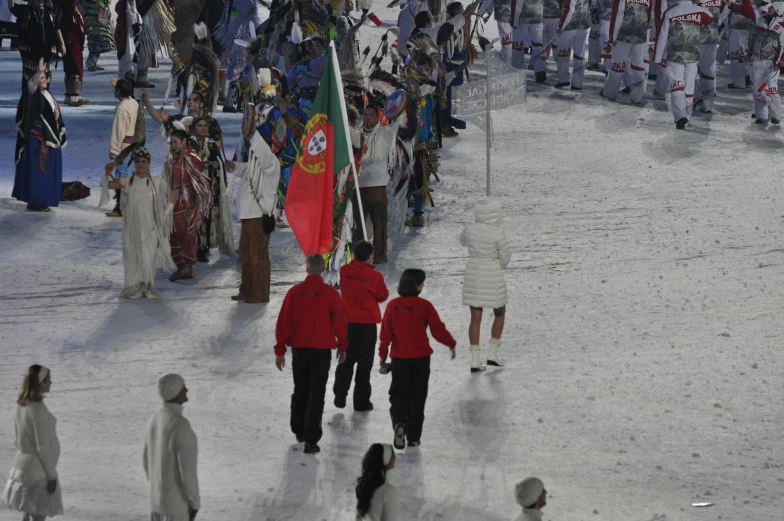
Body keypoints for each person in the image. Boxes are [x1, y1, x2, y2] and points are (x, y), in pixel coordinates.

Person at [274, 254, 348, 454]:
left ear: (306, 269)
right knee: (317, 392)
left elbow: (284, 322)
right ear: (323, 269)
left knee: (301, 389)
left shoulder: (294, 292)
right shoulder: (331, 294)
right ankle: (312, 438)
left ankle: (298, 428)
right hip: (322, 350)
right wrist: (342, 346)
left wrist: (280, 350)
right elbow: (340, 322)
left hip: (300, 349)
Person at [379, 269, 456, 449]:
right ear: (418, 286)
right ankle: (414, 436)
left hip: (400, 360)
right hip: (421, 359)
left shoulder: (393, 306)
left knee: (399, 395)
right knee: (418, 397)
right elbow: (438, 329)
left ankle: (399, 423)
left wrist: (383, 355)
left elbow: (385, 334)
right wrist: (450, 343)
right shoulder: (425, 306)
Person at [225, 106, 281, 303]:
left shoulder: (272, 164)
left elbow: (262, 153)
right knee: (246, 257)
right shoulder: (253, 166)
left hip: (258, 216)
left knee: (258, 258)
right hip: (247, 216)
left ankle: (260, 293)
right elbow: (242, 169)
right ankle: (247, 290)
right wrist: (231, 166)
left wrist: (251, 131)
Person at [104, 148, 176, 299]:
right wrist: (107, 172)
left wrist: (164, 215)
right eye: (137, 162)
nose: (140, 164)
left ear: (149, 163)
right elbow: (108, 185)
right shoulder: (126, 181)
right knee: (133, 256)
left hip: (151, 227)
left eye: (143, 161)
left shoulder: (158, 182)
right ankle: (133, 288)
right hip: (132, 228)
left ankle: (148, 287)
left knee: (148, 257)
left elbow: (172, 199)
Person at [333, 241, 390, 412]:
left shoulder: (344, 271)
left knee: (346, 359)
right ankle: (361, 401)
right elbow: (382, 296)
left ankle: (340, 392)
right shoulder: (375, 277)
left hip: (348, 323)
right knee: (364, 365)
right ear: (370, 256)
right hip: (367, 326)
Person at [2, 365, 64, 521]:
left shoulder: (20, 405)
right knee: (37, 516)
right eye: (48, 379)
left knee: (27, 513)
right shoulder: (38, 410)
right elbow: (42, 447)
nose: (51, 382)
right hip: (38, 471)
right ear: (40, 383)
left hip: (21, 466)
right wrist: (51, 475)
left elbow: (18, 440)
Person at [460, 199, 512, 372]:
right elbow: (505, 258)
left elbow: (462, 241)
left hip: (473, 273)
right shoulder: (498, 232)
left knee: (475, 318)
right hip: (492, 273)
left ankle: (475, 360)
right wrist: (497, 263)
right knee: (500, 313)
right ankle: (493, 354)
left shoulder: (469, 229)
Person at [143, 374, 200, 521]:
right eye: (183, 387)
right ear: (175, 392)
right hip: (176, 508)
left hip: (156, 504)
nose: (186, 390)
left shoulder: (154, 419)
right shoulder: (180, 425)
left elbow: (146, 460)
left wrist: (158, 490)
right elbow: (187, 472)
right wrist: (194, 503)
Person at [12, 58, 66, 213]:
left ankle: (43, 200)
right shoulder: (33, 95)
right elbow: (31, 86)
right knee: (38, 172)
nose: (43, 79)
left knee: (48, 173)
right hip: (38, 142)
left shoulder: (47, 94)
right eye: (40, 78)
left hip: (50, 139)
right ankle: (35, 202)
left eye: (44, 77)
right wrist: (38, 72)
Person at [654, 0, 714, 128]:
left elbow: (662, 36)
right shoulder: (700, 11)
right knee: (689, 88)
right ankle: (687, 118)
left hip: (674, 56)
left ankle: (680, 116)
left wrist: (657, 58)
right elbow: (710, 18)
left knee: (677, 86)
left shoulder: (670, 12)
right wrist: (699, 5)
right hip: (693, 56)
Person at [163, 129, 213, 281]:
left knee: (185, 237)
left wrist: (193, 209)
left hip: (187, 204)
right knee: (173, 236)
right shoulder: (172, 158)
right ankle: (183, 268)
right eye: (171, 143)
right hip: (173, 203)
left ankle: (187, 269)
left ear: (184, 141)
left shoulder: (190, 158)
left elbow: (201, 181)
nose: (172, 145)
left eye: (175, 142)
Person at [356, 104, 396, 264]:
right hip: (358, 185)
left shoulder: (385, 133)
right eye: (365, 114)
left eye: (371, 114)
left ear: (378, 117)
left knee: (378, 222)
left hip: (377, 184)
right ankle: (359, 256)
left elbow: (398, 123)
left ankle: (379, 255)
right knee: (358, 223)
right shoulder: (356, 133)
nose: (367, 117)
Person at [190, 116, 233, 261]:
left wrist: (217, 165)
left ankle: (203, 247)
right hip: (192, 185)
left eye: (205, 126)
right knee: (193, 216)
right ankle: (191, 247)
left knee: (206, 217)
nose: (203, 128)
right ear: (193, 128)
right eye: (199, 125)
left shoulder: (212, 145)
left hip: (208, 185)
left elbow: (218, 161)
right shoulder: (189, 144)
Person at [734, 0, 784, 124]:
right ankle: (761, 115)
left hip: (771, 64)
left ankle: (775, 115)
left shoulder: (782, 26)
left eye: (772, 8)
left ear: (778, 11)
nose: (769, 9)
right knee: (756, 90)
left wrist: (779, 63)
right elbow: (753, 37)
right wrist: (748, 55)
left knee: (772, 89)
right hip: (757, 60)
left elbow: (783, 47)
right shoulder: (760, 19)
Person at [600, 0, 656, 103]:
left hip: (623, 35)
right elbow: (650, 18)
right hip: (641, 35)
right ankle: (637, 97)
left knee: (617, 65)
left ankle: (610, 93)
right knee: (638, 66)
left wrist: (613, 37)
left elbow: (617, 16)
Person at [9, 0, 64, 86]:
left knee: (46, 80)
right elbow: (11, 6)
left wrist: (62, 43)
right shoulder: (24, 10)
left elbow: (56, 27)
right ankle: (28, 98)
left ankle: (44, 97)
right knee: (30, 81)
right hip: (30, 53)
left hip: (47, 51)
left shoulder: (48, 11)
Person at [106, 78, 139, 217]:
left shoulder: (121, 109)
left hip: (124, 147)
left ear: (119, 92)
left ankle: (121, 208)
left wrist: (114, 150)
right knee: (129, 177)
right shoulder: (134, 103)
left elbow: (119, 130)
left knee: (122, 178)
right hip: (133, 146)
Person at [53, 0, 90, 106]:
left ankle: (69, 96)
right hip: (71, 39)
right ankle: (74, 96)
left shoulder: (66, 7)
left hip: (69, 38)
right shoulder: (69, 8)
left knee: (70, 67)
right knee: (75, 68)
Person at [355, 444, 399, 521]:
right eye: (393, 455)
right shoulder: (389, 492)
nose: (395, 458)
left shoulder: (363, 486)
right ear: (386, 459)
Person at [694, 0, 723, 112]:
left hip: (696, 39)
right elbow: (722, 13)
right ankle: (707, 104)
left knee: (690, 69)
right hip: (712, 38)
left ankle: (695, 96)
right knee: (707, 71)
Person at [555, 0, 592, 89]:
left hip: (570, 25)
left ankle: (563, 79)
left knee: (563, 52)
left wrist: (561, 26)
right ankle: (577, 83)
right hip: (584, 23)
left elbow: (569, 8)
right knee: (579, 54)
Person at [82, 0, 115, 71]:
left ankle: (93, 62)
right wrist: (94, 5)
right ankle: (90, 62)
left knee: (101, 38)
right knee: (95, 38)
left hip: (102, 12)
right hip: (92, 14)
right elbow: (80, 2)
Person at [337, 0, 368, 71]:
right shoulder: (342, 18)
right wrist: (361, 22)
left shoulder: (350, 16)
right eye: (350, 2)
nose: (353, 4)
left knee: (355, 68)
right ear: (344, 5)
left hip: (354, 46)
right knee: (348, 70)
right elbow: (348, 31)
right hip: (347, 49)